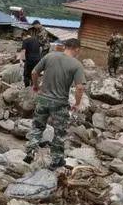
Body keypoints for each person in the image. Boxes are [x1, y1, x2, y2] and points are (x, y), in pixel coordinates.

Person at [24, 38, 86, 170]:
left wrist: (35, 86)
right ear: (77, 49)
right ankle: (56, 160)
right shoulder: (76, 64)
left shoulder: (50, 56)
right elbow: (80, 87)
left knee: (37, 127)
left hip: (43, 99)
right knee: (60, 132)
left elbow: (34, 72)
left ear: (65, 46)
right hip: (59, 103)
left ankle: (30, 152)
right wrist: (77, 103)